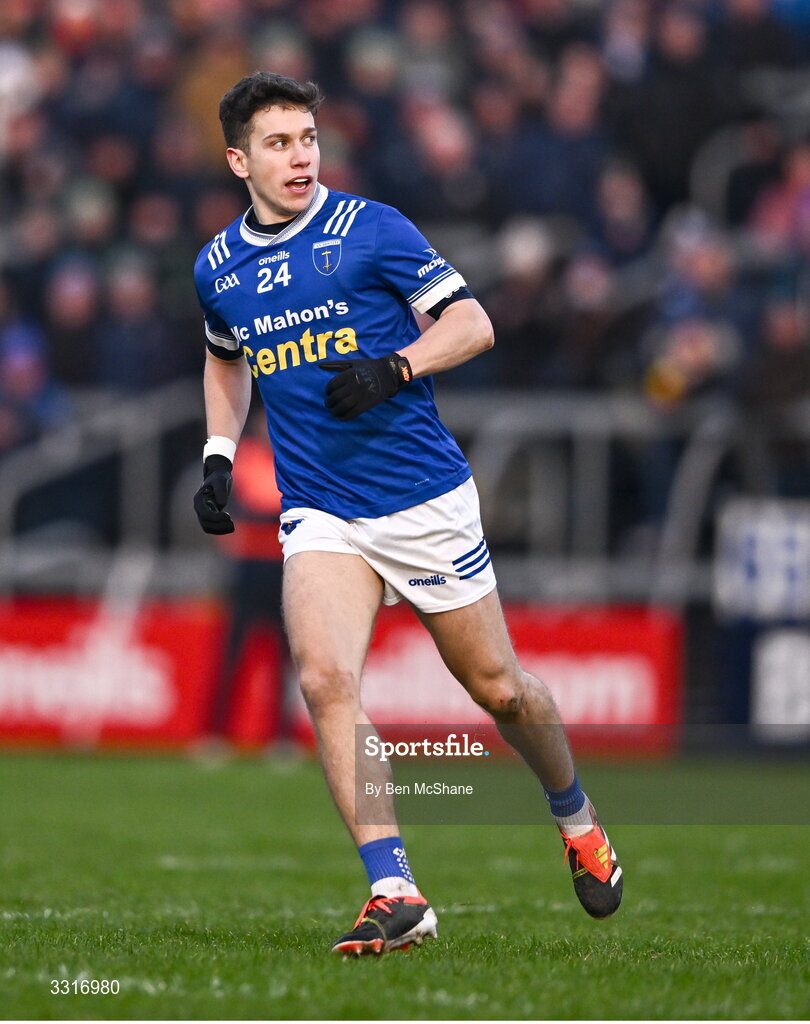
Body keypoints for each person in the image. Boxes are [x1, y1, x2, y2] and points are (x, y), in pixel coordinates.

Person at [192, 71, 623, 957]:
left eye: (307, 137)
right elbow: (226, 361)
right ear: (239, 160)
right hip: (321, 512)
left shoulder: (371, 229)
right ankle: (395, 889)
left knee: (498, 689)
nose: (299, 155)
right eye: (277, 143)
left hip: (421, 501)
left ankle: (576, 817)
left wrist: (396, 368)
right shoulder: (217, 267)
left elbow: (474, 325)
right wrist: (220, 455)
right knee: (323, 681)